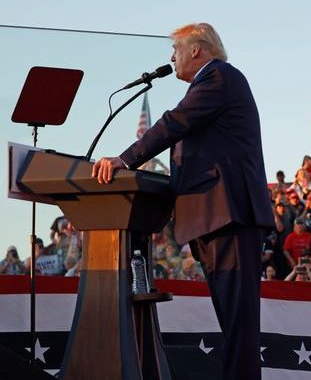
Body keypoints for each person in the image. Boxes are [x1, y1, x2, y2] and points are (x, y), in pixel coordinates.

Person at [91, 22, 273, 380]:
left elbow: (174, 123)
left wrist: (125, 160)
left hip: (229, 216)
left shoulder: (219, 77)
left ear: (196, 49)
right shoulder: (213, 82)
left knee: (239, 326)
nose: (172, 58)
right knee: (234, 324)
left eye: (176, 49)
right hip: (216, 218)